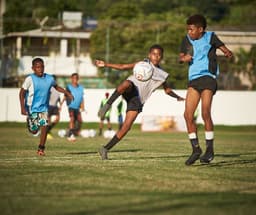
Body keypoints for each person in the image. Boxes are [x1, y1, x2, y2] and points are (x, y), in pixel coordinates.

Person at [95, 44, 185, 160]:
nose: (156, 56)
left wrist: (177, 97)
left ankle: (105, 148)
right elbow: (123, 66)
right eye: (154, 54)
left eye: (159, 55)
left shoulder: (163, 75)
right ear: (149, 55)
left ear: (161, 57)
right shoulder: (142, 64)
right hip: (131, 89)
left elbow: (167, 90)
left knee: (126, 127)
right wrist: (106, 64)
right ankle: (107, 105)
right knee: (126, 83)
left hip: (138, 100)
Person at [179, 14, 233, 165]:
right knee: (187, 115)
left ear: (201, 29)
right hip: (193, 80)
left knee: (205, 112)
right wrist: (184, 59)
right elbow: (181, 57)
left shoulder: (210, 36)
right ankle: (196, 149)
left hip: (208, 78)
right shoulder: (187, 39)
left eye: (191, 29)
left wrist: (227, 52)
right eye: (188, 29)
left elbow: (224, 49)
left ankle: (209, 150)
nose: (189, 32)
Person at [19, 58, 73, 156]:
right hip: (32, 108)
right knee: (35, 130)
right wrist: (22, 107)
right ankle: (30, 122)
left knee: (44, 126)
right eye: (38, 67)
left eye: (42, 67)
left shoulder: (49, 78)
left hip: (43, 108)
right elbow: (22, 93)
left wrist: (67, 93)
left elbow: (56, 87)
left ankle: (41, 149)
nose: (40, 69)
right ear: (33, 68)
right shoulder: (29, 79)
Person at [62, 73, 84, 142]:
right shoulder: (68, 87)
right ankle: (70, 135)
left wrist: (82, 106)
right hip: (71, 106)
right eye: (74, 78)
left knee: (80, 121)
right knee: (72, 118)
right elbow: (65, 96)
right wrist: (61, 105)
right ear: (71, 79)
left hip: (77, 107)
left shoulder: (81, 88)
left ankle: (70, 132)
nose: (75, 79)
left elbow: (82, 98)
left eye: (76, 78)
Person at [47, 75, 61, 139]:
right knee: (48, 120)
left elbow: (58, 97)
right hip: (49, 106)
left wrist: (60, 104)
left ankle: (48, 130)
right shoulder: (49, 88)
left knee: (57, 119)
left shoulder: (57, 88)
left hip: (55, 106)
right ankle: (47, 132)